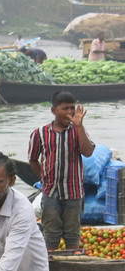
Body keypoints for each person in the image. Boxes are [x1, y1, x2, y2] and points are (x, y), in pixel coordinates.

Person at [27, 91, 94, 252]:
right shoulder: (40, 133)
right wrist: (43, 179)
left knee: (72, 236)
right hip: (51, 193)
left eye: (72, 108)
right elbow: (33, 159)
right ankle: (50, 269)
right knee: (51, 236)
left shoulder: (78, 132)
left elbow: (88, 152)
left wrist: (79, 126)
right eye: (65, 108)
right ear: (54, 110)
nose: (70, 112)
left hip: (74, 193)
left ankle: (71, 264)